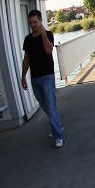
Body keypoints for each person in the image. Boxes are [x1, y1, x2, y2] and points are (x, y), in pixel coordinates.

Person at [21, 9, 64, 148]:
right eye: (30, 22)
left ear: (40, 21)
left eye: (35, 22)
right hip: (35, 78)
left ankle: (58, 135)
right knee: (45, 106)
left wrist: (43, 33)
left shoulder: (48, 34)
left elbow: (48, 50)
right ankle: (58, 125)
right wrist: (23, 76)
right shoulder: (27, 39)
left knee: (51, 107)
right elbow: (26, 59)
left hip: (47, 76)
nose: (33, 25)